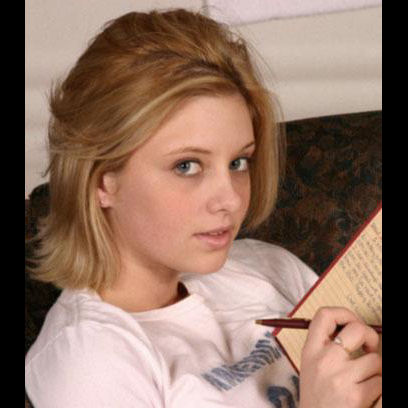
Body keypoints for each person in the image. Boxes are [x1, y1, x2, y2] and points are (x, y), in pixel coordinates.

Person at [25, 8, 382, 408]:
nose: (231, 199)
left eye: (238, 162)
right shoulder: (86, 363)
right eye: (187, 166)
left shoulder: (267, 267)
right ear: (102, 182)